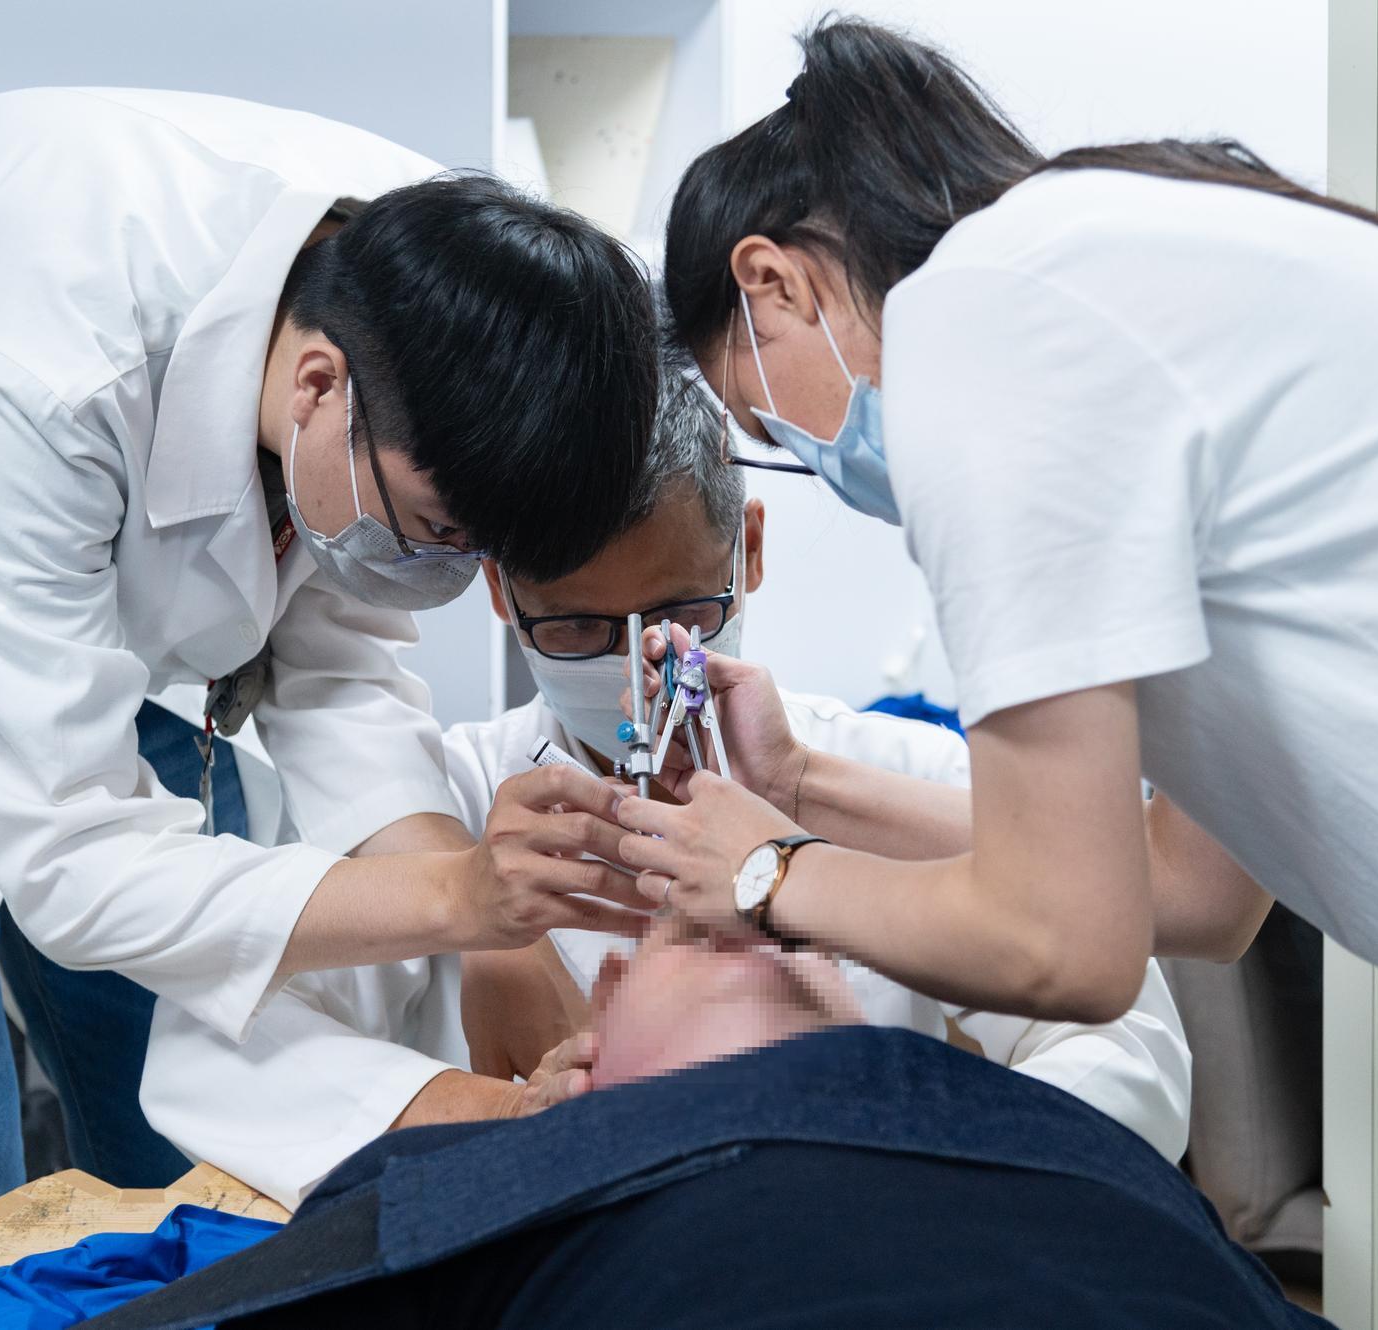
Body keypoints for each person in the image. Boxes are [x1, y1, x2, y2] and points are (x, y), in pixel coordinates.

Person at [626, 17, 1378, 1324]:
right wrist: (805, 783)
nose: (816, 462)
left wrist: (764, 877)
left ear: (771, 286)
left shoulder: (982, 317)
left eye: (763, 427)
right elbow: (1186, 887)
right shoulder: (1122, 264)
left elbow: (1062, 945)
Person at [0, 88, 656, 1329]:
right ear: (317, 385)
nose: (442, 578)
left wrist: (493, 933)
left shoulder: (422, 297)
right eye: (442, 535)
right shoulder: (43, 352)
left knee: (185, 1151)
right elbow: (67, 856)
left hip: (80, 613)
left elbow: (340, 663)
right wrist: (465, 897)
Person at [138, 369, 1190, 1207]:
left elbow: (1122, 1036)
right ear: (501, 591)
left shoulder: (897, 781)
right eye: (580, 627)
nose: (636, 663)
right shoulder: (440, 805)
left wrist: (924, 1163)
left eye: (679, 608)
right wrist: (487, 1113)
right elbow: (206, 1047)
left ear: (750, 551)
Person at [94, 919, 1321, 1330]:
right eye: (689, 924)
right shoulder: (528, 1164)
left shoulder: (1049, 1128)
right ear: (599, 1024)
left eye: (778, 905)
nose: (742, 912)